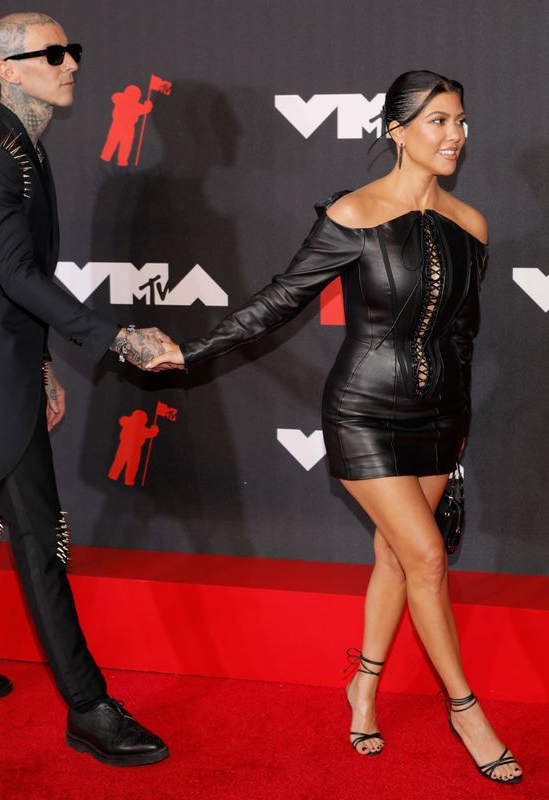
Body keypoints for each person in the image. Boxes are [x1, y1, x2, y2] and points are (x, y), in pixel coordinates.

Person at [145, 71, 523, 784]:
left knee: (393, 558)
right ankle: (465, 707)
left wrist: (461, 424)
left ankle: (364, 688)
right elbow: (277, 301)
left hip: (441, 420)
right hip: (364, 413)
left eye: (461, 122)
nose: (454, 135)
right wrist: (190, 350)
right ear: (396, 131)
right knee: (429, 557)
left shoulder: (472, 225)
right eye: (438, 121)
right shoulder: (354, 213)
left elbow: (464, 339)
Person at [0, 12, 173, 767]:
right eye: (50, 54)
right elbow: (15, 275)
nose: (70, 62)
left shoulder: (22, 148)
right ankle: (88, 708)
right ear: (8, 69)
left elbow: (12, 281)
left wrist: (44, 362)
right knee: (40, 536)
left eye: (71, 49)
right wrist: (114, 340)